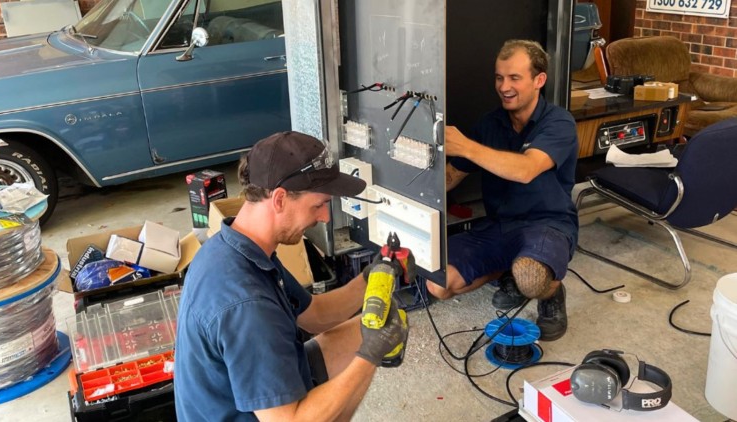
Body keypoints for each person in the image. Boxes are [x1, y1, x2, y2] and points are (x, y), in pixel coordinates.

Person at [175, 131, 408, 421]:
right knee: (368, 347)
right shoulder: (247, 303)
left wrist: (370, 277)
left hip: (253, 398)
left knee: (379, 324)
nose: (324, 217)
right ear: (280, 199)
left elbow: (315, 314)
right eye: (318, 204)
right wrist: (370, 357)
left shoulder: (237, 247)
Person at [427, 40, 579, 341]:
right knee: (439, 284)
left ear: (539, 80)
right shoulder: (489, 124)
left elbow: (525, 170)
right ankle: (510, 271)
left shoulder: (559, 122)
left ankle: (552, 292)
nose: (504, 86)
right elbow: (451, 177)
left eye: (514, 78)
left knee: (532, 278)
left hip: (548, 224)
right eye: (499, 77)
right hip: (498, 225)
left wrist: (467, 147)